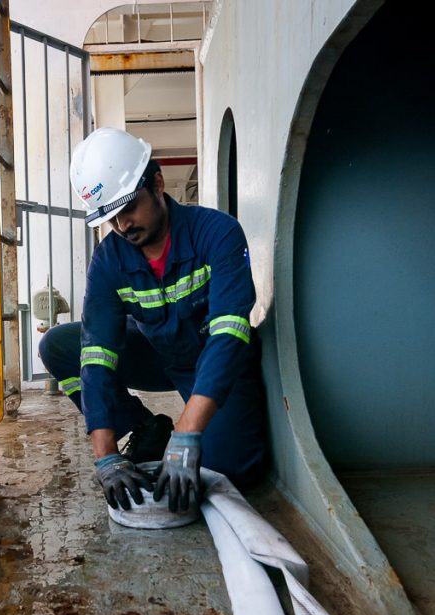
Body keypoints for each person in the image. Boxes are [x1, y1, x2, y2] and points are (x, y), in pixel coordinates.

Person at [39, 127, 267, 513]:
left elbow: (229, 334)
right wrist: (105, 455)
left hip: (216, 362)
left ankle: (187, 434)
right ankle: (143, 425)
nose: (123, 225)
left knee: (223, 474)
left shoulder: (217, 233)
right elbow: (96, 356)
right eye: (112, 218)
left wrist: (189, 431)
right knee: (59, 346)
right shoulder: (110, 260)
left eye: (129, 208)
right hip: (160, 355)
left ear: (157, 183)